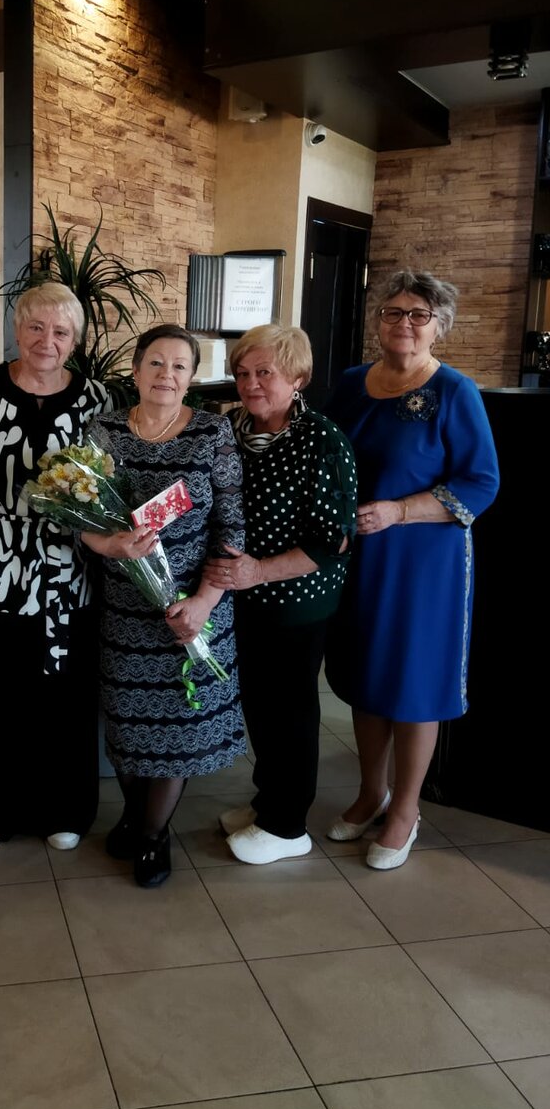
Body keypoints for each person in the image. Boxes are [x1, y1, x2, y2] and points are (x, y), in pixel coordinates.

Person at [325, 271, 499, 869]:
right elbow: (325, 457)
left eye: (418, 314)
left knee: (412, 680)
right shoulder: (351, 384)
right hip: (360, 556)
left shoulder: (455, 392)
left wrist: (400, 511)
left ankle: (405, 809)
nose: (403, 323)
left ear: (438, 325)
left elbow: (481, 482)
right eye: (393, 312)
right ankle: (371, 792)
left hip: (425, 562)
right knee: (365, 673)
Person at [83, 323, 246, 887]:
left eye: (179, 366)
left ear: (192, 377)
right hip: (126, 611)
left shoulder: (212, 432)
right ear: (135, 370)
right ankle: (136, 817)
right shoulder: (103, 431)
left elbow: (232, 526)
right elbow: (81, 516)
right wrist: (110, 544)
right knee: (129, 725)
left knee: (177, 729)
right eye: (156, 363)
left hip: (190, 611)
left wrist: (203, 602)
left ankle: (153, 837)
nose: (166, 375)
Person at [0, 281, 111, 852]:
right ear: (17, 330)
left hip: (70, 564)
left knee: (64, 692)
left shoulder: (97, 399)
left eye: (61, 331)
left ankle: (65, 809)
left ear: (76, 341)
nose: (47, 340)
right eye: (36, 327)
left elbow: (108, 482)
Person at [200, 325, 357, 864]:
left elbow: (333, 541)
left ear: (298, 377)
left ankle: (288, 825)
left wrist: (259, 572)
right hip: (243, 596)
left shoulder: (321, 440)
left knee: (289, 709)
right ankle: (268, 803)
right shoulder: (232, 428)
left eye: (264, 372)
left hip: (296, 602)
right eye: (243, 373)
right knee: (261, 704)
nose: (250, 383)